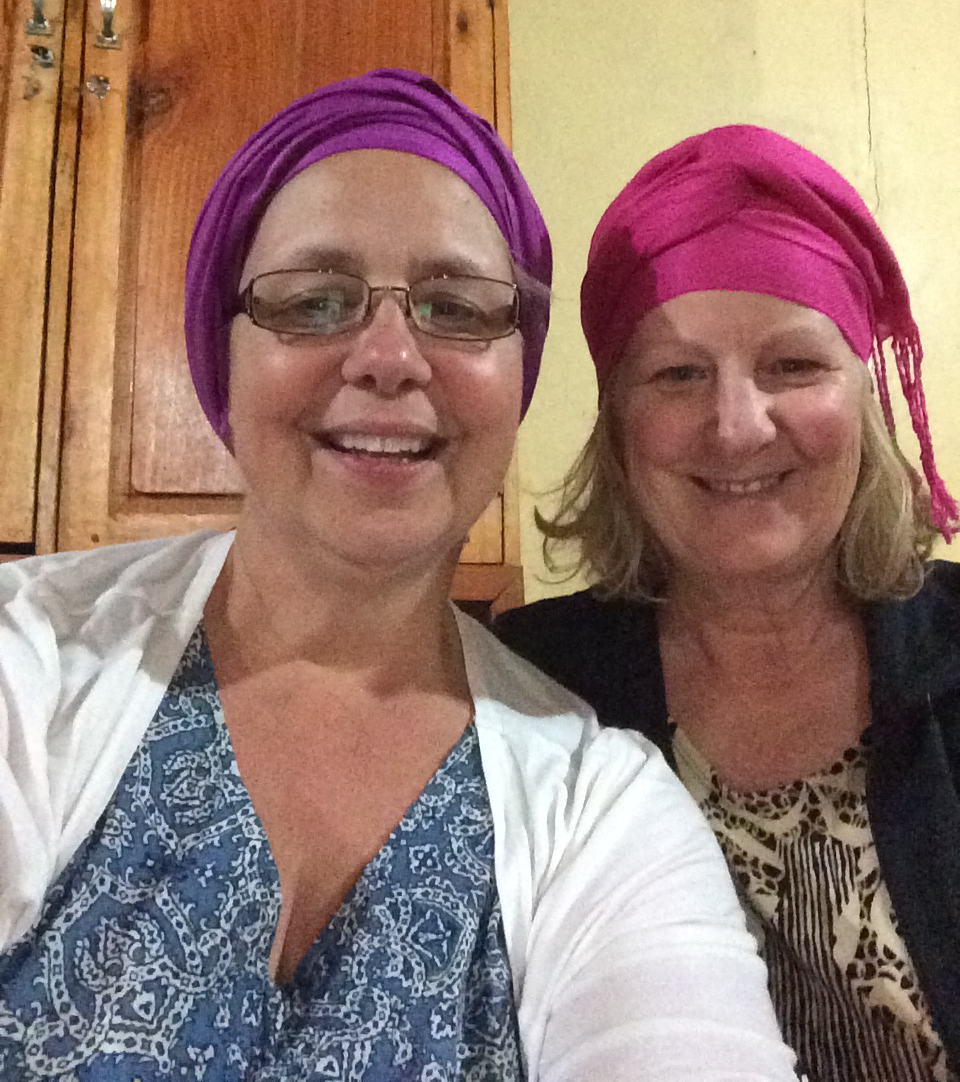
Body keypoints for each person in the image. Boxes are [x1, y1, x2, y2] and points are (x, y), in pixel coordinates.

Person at [0, 74, 795, 1081]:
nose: (388, 356)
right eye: (313, 301)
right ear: (220, 351)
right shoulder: (32, 661)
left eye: (455, 307)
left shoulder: (600, 807)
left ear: (518, 373)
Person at [493, 123, 960, 1082]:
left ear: (863, 401)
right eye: (679, 374)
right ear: (618, 423)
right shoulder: (528, 692)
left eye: (794, 366)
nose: (739, 427)